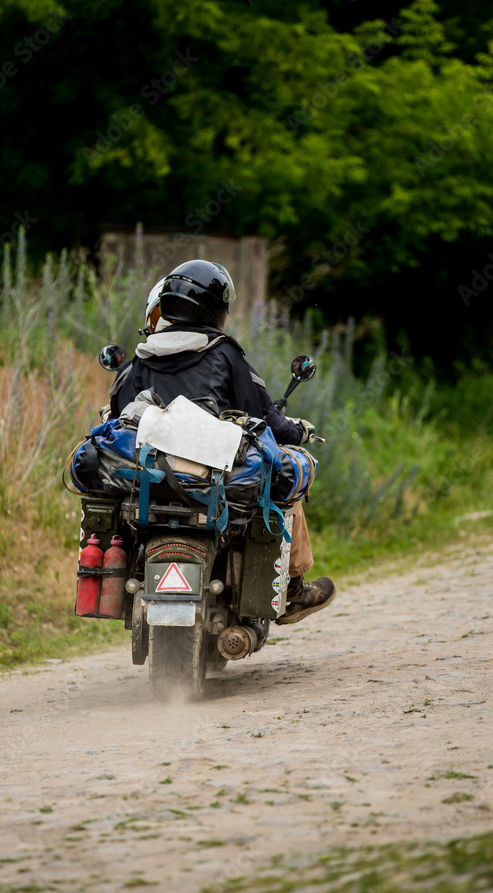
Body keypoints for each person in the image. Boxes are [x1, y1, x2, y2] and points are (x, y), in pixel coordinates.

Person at [111, 260, 336, 624]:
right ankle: (292, 588)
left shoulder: (140, 358)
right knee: (284, 474)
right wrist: (298, 432)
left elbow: (115, 416)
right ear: (216, 307)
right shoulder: (224, 352)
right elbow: (264, 418)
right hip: (212, 477)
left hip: (148, 479)